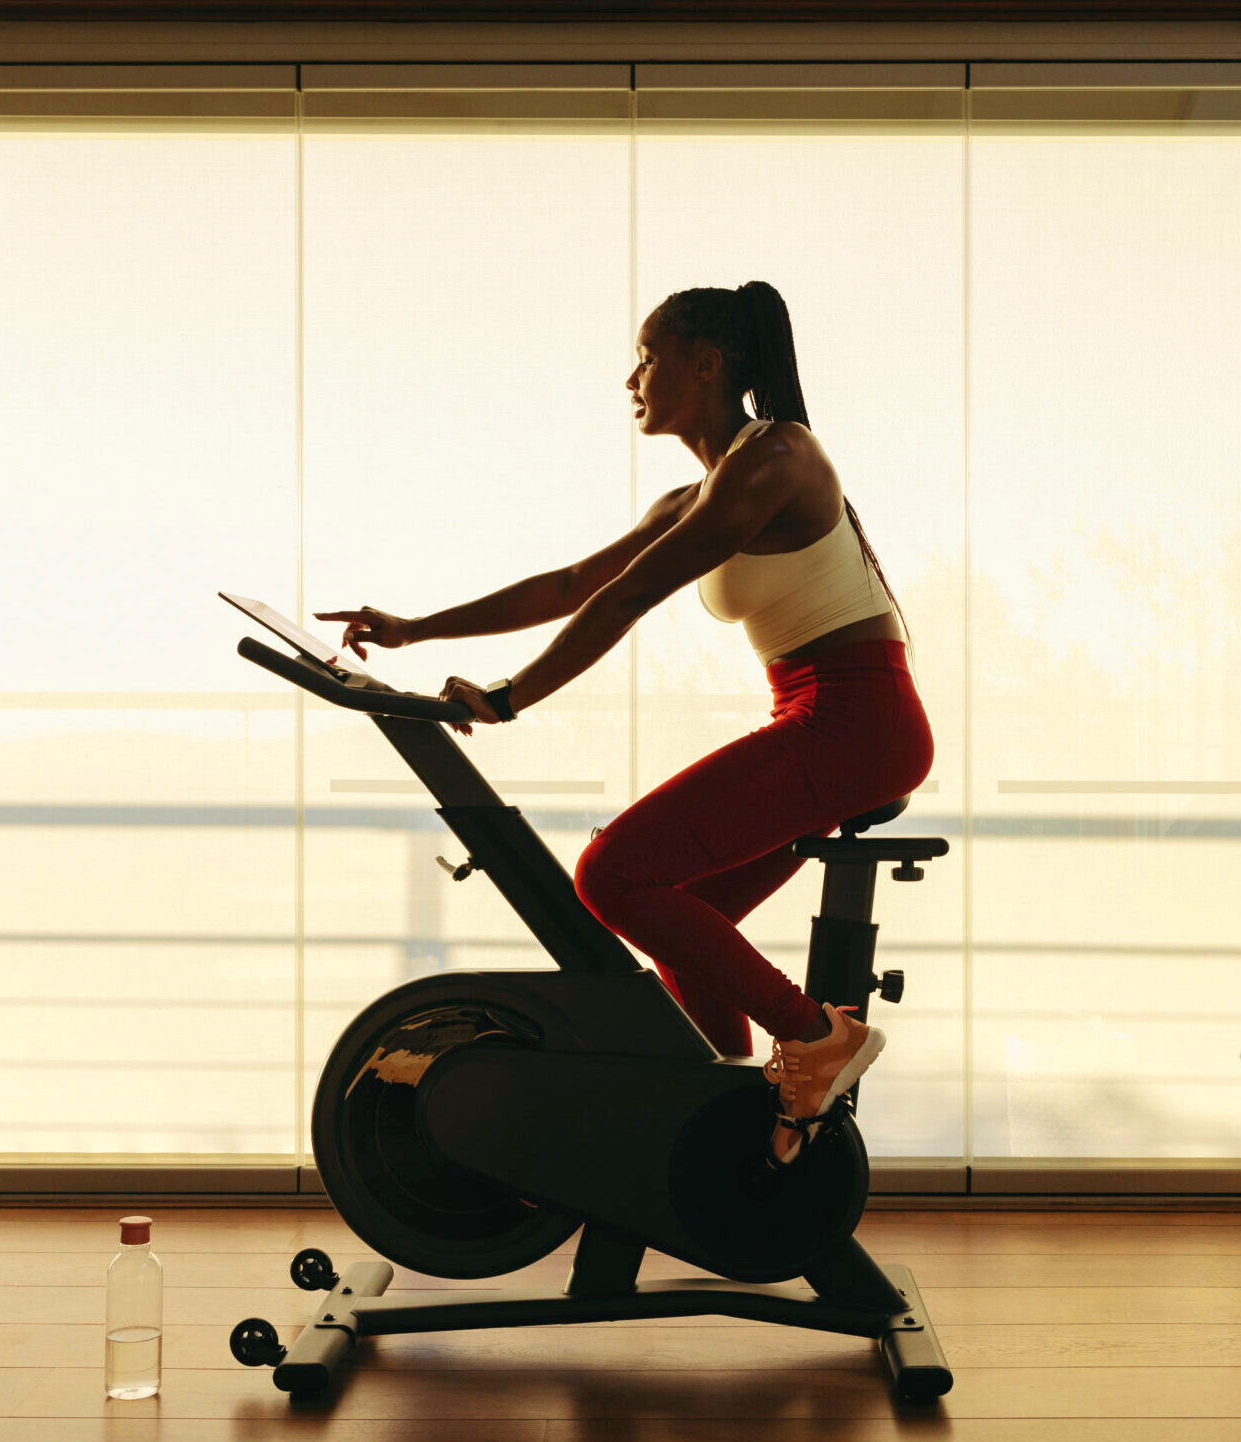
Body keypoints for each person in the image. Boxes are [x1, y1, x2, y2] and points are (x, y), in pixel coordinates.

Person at [317, 281, 931, 1166]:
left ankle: (820, 1035)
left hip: (856, 723)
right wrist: (416, 627)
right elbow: (572, 585)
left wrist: (511, 694)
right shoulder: (694, 498)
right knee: (676, 920)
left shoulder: (776, 460)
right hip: (823, 718)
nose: (631, 376)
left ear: (706, 363)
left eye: (647, 355)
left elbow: (630, 596)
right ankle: (730, 1099)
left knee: (611, 875)